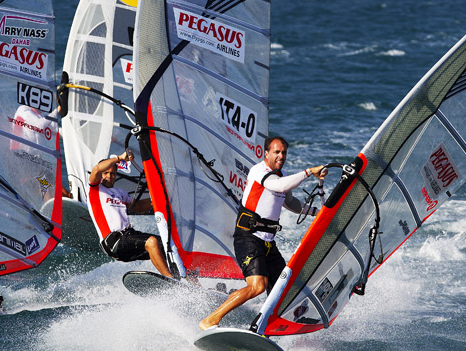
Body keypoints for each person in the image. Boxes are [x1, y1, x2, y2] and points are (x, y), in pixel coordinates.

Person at [199, 136, 327, 331]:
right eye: (277, 152)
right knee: (258, 286)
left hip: (268, 242)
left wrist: (317, 213)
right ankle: (210, 320)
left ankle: (264, 330)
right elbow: (279, 186)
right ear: (266, 153)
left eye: (284, 152)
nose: (281, 156)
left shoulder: (281, 175)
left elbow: (291, 202)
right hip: (248, 237)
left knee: (282, 291)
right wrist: (309, 172)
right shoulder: (259, 171)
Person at [87, 149, 174, 279]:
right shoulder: (95, 189)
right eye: (106, 173)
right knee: (151, 242)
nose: (109, 176)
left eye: (112, 173)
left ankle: (187, 279)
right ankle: (170, 279)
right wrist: (119, 158)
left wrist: (158, 198)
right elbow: (97, 169)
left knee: (168, 245)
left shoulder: (121, 193)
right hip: (113, 241)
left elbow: (137, 207)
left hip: (128, 235)